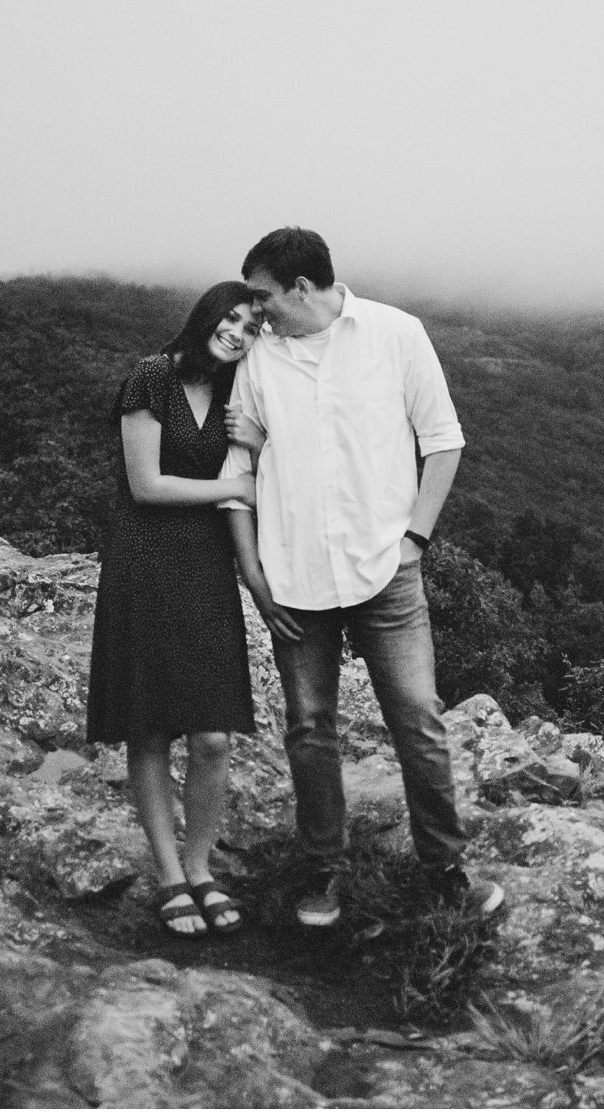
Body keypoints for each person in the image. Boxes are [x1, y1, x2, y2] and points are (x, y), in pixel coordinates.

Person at [219, 227, 504, 928]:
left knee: (418, 718)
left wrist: (414, 537)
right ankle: (323, 871)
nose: (255, 311)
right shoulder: (259, 357)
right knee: (310, 728)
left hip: (385, 569)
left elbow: (444, 439)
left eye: (262, 295)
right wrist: (252, 570)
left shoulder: (395, 334)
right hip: (295, 574)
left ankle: (445, 871)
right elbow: (243, 457)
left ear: (303, 288)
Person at [87, 281, 265, 940]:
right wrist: (230, 485)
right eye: (232, 317)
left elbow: (261, 467)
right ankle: (169, 875)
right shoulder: (151, 378)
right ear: (207, 315)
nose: (238, 332)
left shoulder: (237, 395)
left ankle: (201, 865)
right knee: (152, 724)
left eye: (251, 326)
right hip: (145, 561)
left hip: (207, 566)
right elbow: (146, 483)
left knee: (213, 733)